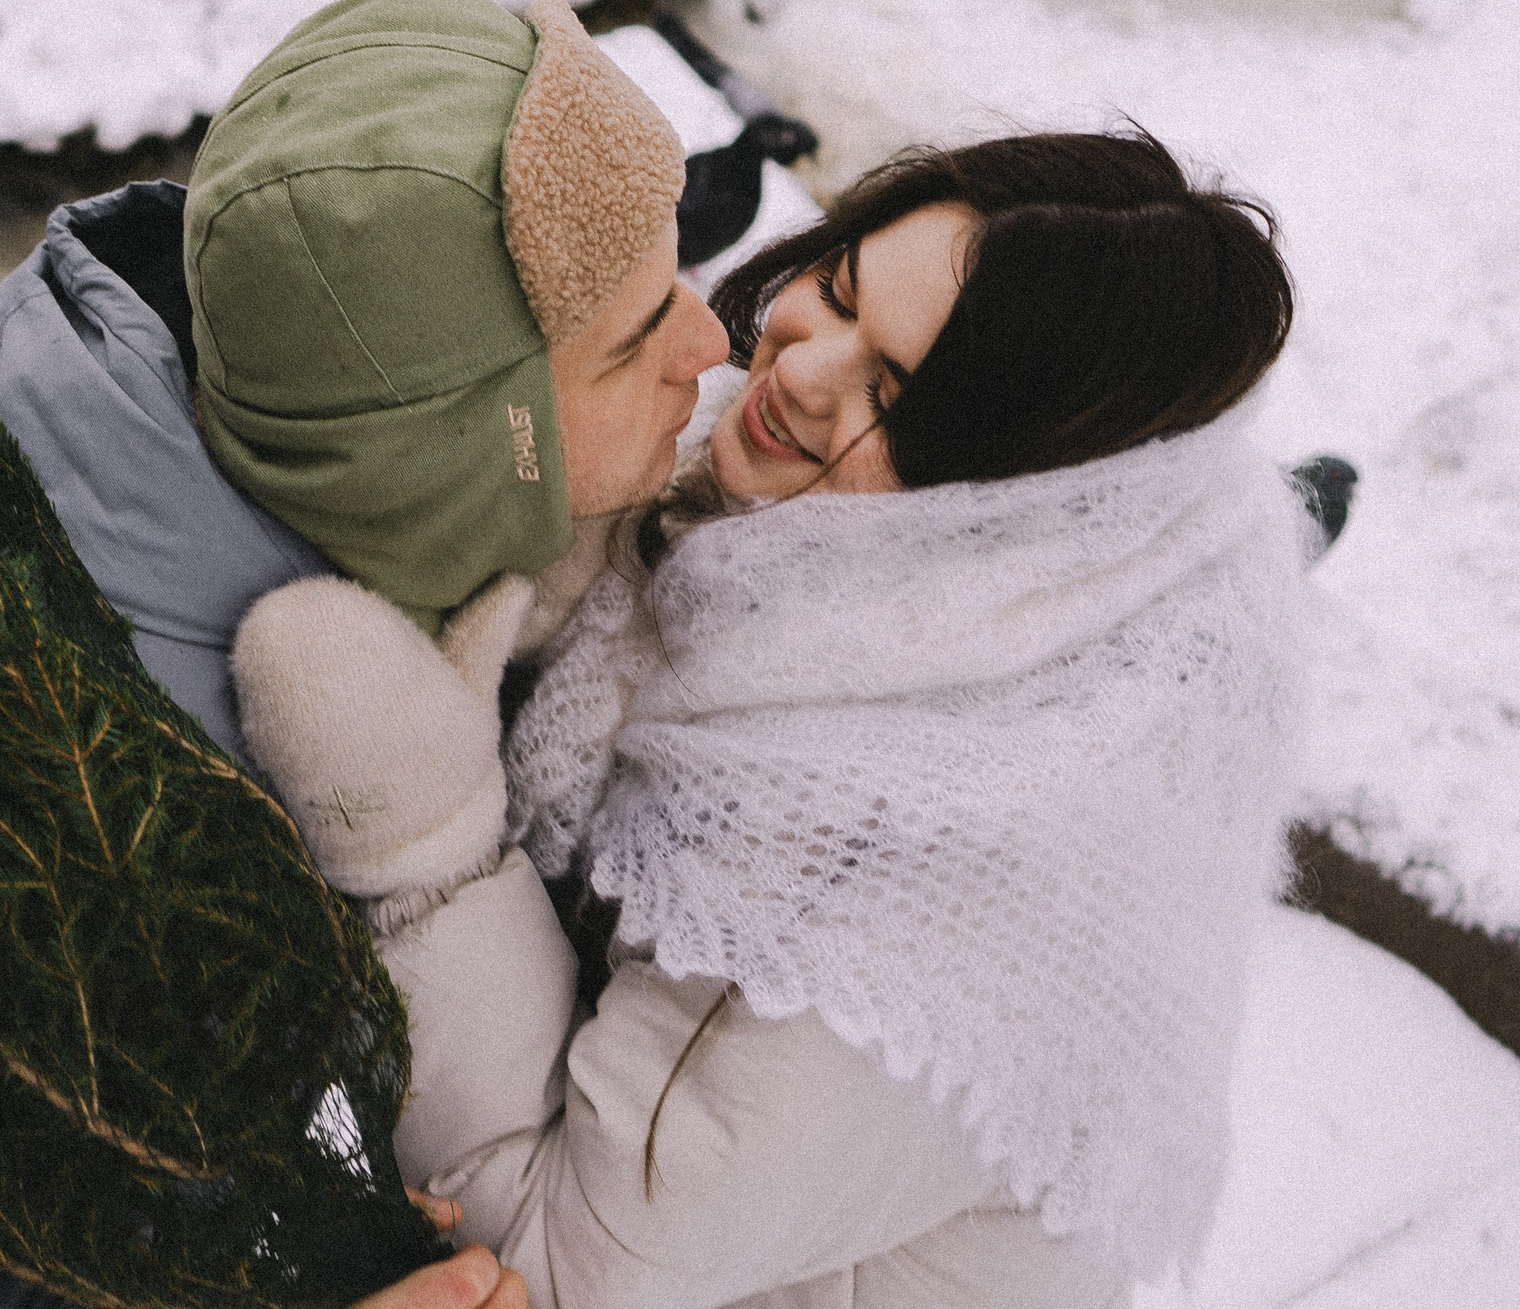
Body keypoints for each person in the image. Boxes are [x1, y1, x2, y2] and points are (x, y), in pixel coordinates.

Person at [0, 0, 726, 1309]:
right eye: (633, 341)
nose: (713, 341)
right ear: (450, 452)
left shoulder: (221, 414)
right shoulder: (60, 804)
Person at [230, 131, 1313, 1308]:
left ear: (1006, 495)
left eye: (890, 394)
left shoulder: (896, 879)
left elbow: (553, 1263)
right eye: (838, 288)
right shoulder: (868, 550)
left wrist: (417, 838)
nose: (796, 369)